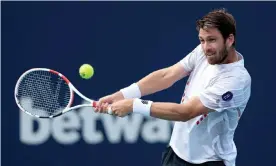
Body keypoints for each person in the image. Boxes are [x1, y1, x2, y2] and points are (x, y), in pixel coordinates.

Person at [95, 8, 251, 166]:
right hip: (176, 154)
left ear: (230, 39)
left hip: (211, 161)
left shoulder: (236, 80)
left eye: (212, 40)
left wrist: (133, 105)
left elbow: (187, 112)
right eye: (202, 40)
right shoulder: (204, 52)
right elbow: (167, 76)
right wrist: (122, 95)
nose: (205, 47)